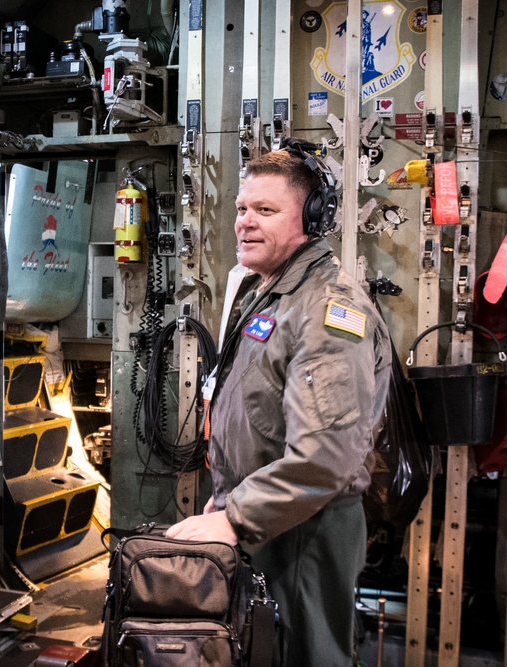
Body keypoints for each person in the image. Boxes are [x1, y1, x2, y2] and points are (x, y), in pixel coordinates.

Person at [167, 143, 392, 667]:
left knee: (304, 656)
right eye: (242, 209)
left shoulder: (328, 308)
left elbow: (325, 455)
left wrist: (236, 517)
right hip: (268, 518)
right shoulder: (272, 294)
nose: (245, 222)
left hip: (304, 532)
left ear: (311, 220)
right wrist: (229, 498)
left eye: (265, 211)